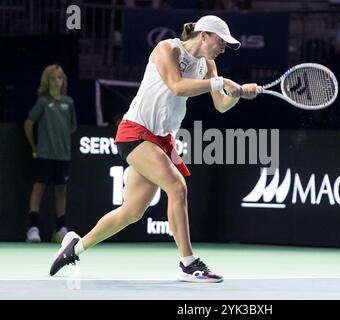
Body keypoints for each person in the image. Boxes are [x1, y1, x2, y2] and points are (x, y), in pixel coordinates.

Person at [49, 15, 258, 282]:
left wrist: (238, 94)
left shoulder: (209, 65)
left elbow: (220, 104)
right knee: (177, 186)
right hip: (135, 131)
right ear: (204, 35)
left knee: (131, 212)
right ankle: (188, 263)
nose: (223, 48)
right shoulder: (167, 49)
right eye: (221, 41)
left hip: (162, 139)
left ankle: (74, 247)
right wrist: (220, 83)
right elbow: (177, 86)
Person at [24, 64, 77, 243]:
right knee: (38, 189)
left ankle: (60, 228)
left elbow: (72, 127)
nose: (57, 81)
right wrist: (35, 147)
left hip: (63, 156)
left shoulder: (69, 102)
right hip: (44, 155)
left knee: (61, 191)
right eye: (53, 78)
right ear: (47, 81)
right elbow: (28, 124)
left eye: (60, 78)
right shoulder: (43, 102)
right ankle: (33, 228)